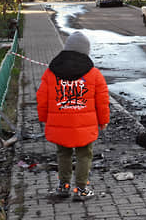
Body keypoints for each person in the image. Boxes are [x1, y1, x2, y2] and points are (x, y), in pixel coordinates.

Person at [36, 31, 110, 201]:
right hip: (85, 125)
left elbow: (41, 98)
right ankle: (81, 190)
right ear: (86, 51)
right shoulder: (94, 74)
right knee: (84, 155)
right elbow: (102, 101)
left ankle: (64, 187)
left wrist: (44, 118)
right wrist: (104, 121)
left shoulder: (51, 72)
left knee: (63, 154)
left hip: (59, 123)